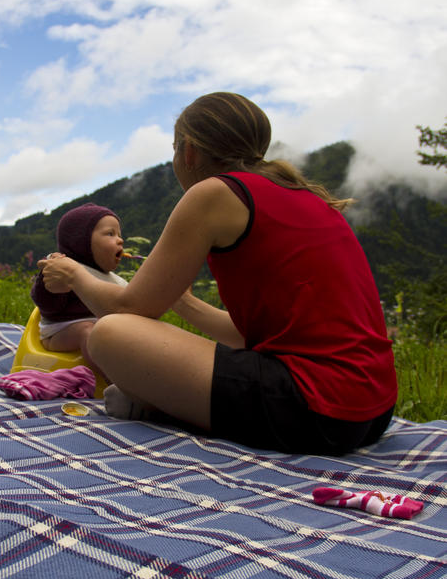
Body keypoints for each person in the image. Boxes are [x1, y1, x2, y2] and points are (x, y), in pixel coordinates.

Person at [38, 92, 397, 455]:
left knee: (111, 334)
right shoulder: (306, 197)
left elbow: (128, 310)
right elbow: (253, 336)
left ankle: (162, 405)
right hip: (372, 411)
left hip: (314, 409)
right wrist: (185, 302)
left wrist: (75, 275)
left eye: (175, 148)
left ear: (189, 151)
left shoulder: (216, 193)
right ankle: (166, 402)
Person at [31, 203, 127, 374]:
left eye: (119, 234)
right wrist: (48, 280)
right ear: (81, 242)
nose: (120, 240)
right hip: (60, 332)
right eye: (110, 234)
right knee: (87, 331)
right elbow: (46, 303)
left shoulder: (113, 279)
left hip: (102, 329)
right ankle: (116, 381)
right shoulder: (64, 269)